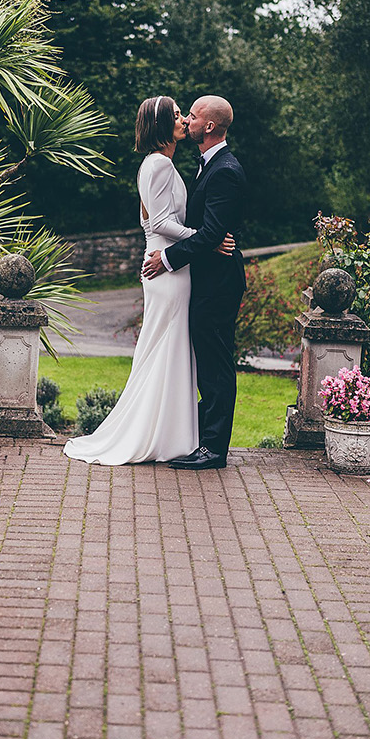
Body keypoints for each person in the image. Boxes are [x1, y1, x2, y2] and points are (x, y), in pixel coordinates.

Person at [63, 95, 234, 466]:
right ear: (160, 125)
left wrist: (196, 240)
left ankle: (172, 434)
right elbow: (157, 223)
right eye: (175, 115)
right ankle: (159, 435)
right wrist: (203, 238)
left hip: (171, 265)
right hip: (164, 267)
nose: (182, 119)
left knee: (168, 349)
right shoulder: (157, 164)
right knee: (165, 346)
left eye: (184, 114)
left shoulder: (166, 164)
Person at [142, 95, 247, 470]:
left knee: (216, 364)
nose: (186, 119)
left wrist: (168, 259)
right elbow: (206, 230)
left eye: (193, 115)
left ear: (210, 127)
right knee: (205, 362)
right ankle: (199, 438)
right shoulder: (206, 165)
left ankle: (214, 449)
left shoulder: (225, 170)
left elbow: (211, 233)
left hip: (219, 283)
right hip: (205, 279)